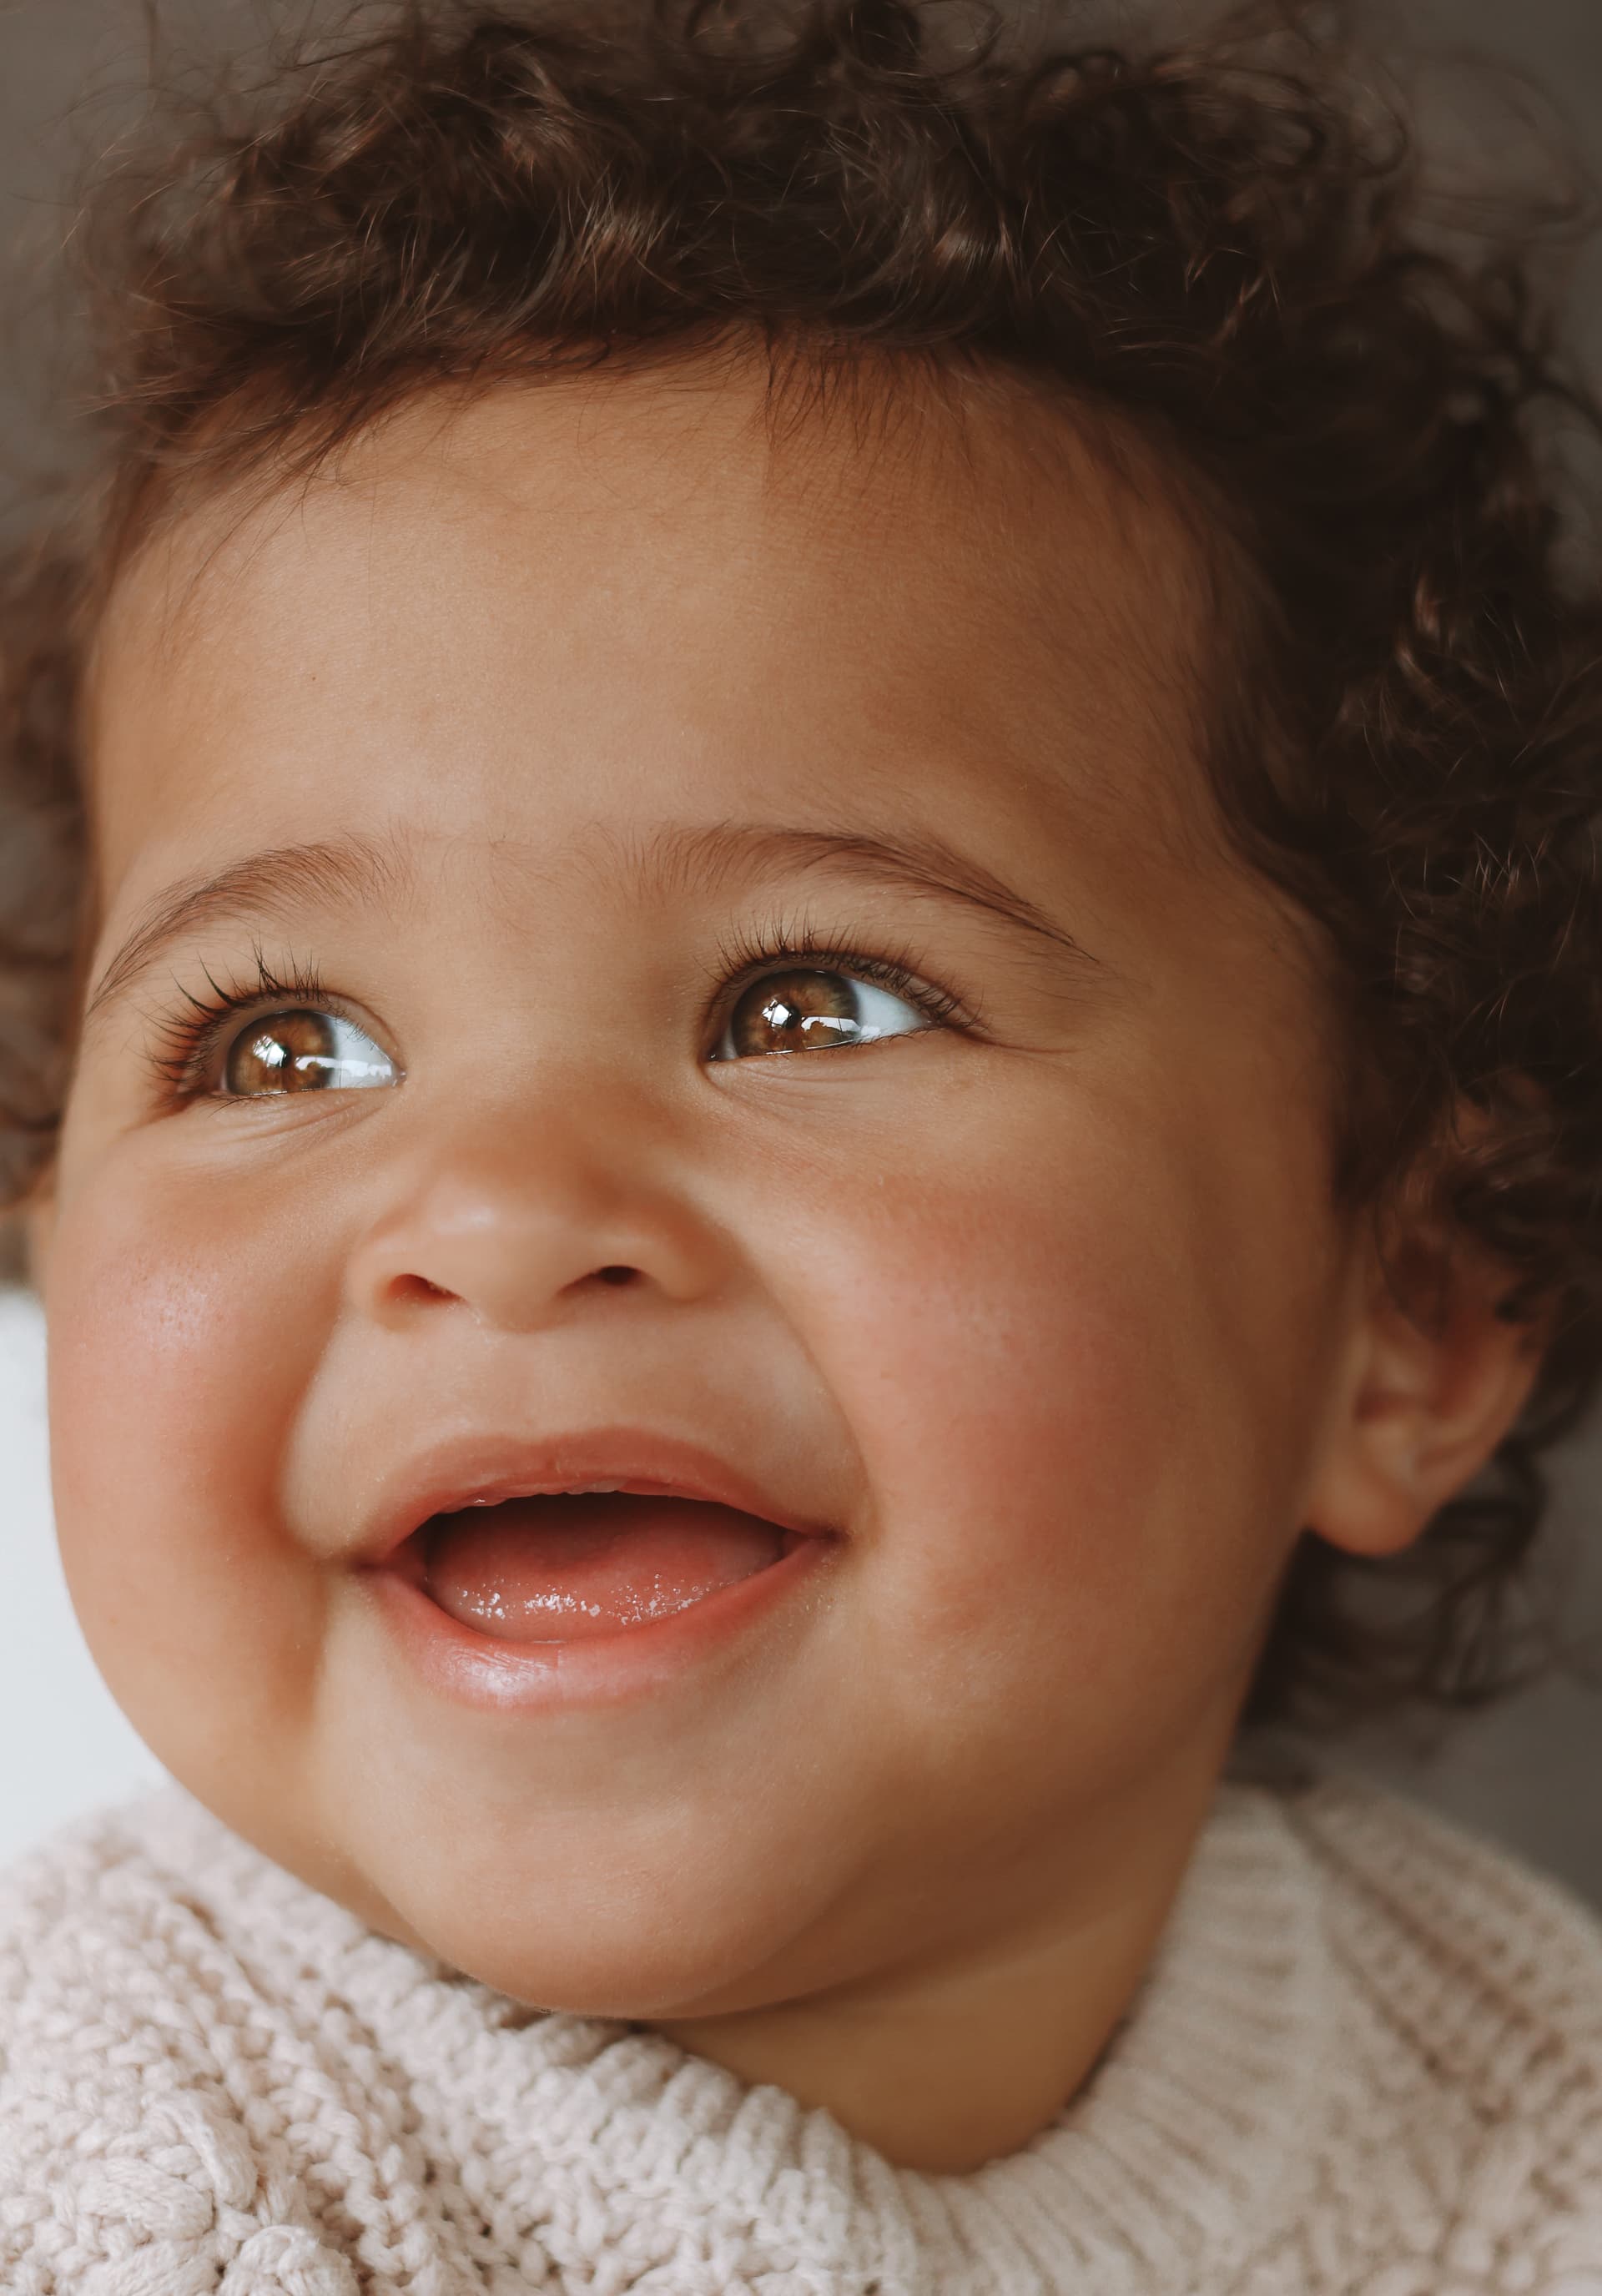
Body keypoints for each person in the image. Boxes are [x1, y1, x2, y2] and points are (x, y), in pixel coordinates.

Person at [3, 0, 1600, 2284]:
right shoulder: (115, 2177)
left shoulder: (1513, 2101)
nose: (503, 1212)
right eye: (280, 1045)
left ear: (1410, 1318)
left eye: (811, 1004)